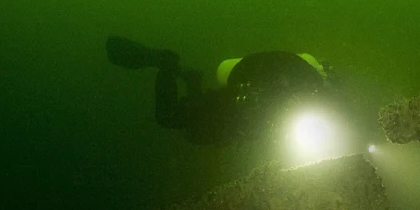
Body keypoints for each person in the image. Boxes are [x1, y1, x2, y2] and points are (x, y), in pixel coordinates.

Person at [106, 36, 330, 146]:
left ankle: (189, 77)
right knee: (169, 116)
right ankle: (165, 63)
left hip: (231, 125)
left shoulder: (310, 97)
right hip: (228, 112)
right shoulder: (288, 85)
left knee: (189, 124)